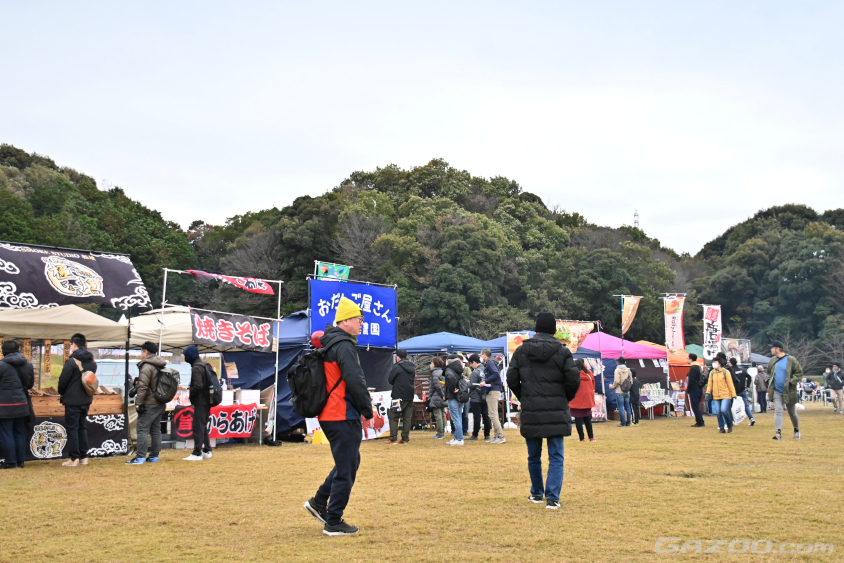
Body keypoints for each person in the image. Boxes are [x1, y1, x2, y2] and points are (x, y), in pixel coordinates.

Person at [304, 297, 374, 536]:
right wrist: (367, 410)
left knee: (350, 462)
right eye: (359, 319)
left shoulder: (331, 342)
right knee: (346, 468)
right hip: (341, 413)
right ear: (345, 321)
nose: (362, 323)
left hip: (332, 412)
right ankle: (333, 520)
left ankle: (318, 502)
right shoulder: (343, 345)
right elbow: (355, 380)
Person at [507, 312, 580, 510]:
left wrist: (525, 396)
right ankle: (553, 498)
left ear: (536, 328)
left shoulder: (521, 351)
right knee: (556, 456)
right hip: (556, 408)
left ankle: (537, 493)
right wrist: (565, 397)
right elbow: (574, 378)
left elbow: (511, 378)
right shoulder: (562, 351)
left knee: (533, 455)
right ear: (554, 330)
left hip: (531, 408)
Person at [57, 333, 96, 467]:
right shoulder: (92, 362)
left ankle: (74, 458)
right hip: (86, 398)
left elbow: (63, 381)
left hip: (72, 400)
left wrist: (62, 393)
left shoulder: (71, 361)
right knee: (81, 427)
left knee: (72, 429)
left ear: (73, 344)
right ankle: (84, 457)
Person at [126, 341, 168, 465]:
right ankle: (154, 456)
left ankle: (140, 457)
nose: (140, 354)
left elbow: (143, 387)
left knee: (142, 429)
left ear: (146, 352)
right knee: (155, 429)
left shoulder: (146, 366)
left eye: (141, 351)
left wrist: (138, 403)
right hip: (160, 401)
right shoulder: (160, 364)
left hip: (149, 402)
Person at [0, 340, 34, 469]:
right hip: (22, 403)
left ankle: (10, 462)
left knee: (6, 433)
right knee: (19, 432)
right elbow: (30, 385)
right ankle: (21, 461)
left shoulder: (1, 365)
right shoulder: (28, 365)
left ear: (4, 351)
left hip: (4, 405)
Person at [182, 344, 213, 462]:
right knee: (203, 425)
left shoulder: (196, 368)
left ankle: (197, 452)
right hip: (207, 401)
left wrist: (191, 394)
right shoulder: (205, 365)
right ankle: (207, 450)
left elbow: (198, 385)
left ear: (190, 355)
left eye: (186, 355)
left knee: (198, 427)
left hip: (200, 401)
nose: (185, 358)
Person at [767, 340, 802, 440]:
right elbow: (768, 372)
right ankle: (778, 433)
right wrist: (768, 380)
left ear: (778, 349)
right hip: (776, 391)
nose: (771, 349)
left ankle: (796, 430)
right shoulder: (773, 360)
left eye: (772, 348)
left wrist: (791, 381)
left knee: (792, 412)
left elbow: (799, 373)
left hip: (789, 391)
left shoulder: (791, 359)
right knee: (778, 411)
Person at [385, 349, 415, 444]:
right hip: (409, 395)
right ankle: (405, 438)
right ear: (406, 356)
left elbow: (390, 380)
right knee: (407, 418)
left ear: (398, 357)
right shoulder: (412, 366)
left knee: (394, 416)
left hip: (398, 395)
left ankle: (393, 437)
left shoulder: (397, 367)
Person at [480, 348, 505, 444]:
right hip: (494, 389)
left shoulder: (490, 363)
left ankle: (500, 436)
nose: (481, 356)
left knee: (492, 414)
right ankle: (496, 436)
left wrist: (485, 381)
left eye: (481, 354)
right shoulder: (492, 362)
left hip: (493, 390)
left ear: (484, 355)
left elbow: (495, 374)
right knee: (494, 413)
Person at [706, 357, 736, 434]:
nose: (714, 364)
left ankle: (729, 422)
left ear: (719, 363)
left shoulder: (726, 372)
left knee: (723, 410)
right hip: (716, 395)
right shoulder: (712, 373)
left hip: (725, 395)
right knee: (718, 412)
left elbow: (730, 384)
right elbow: (710, 384)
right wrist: (708, 392)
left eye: (715, 362)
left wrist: (733, 394)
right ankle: (721, 427)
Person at [569, 359, 596, 442]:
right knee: (587, 419)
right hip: (587, 400)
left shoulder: (573, 375)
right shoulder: (589, 373)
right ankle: (591, 437)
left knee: (578, 420)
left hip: (576, 400)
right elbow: (593, 386)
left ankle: (582, 438)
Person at [467, 354, 490, 441]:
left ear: (474, 362)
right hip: (485, 395)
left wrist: (467, 383)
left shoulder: (475, 372)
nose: (470, 366)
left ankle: (475, 434)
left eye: (470, 364)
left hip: (476, 397)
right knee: (485, 416)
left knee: (477, 416)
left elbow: (472, 385)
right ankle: (487, 434)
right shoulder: (485, 370)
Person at [443, 354, 465, 446]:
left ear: (448, 361)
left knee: (455, 419)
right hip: (460, 397)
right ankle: (457, 437)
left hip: (453, 397)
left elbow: (451, 378)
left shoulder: (449, 370)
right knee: (459, 418)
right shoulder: (459, 369)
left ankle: (459, 439)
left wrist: (452, 389)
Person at [729, 357, 755, 426]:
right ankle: (751, 418)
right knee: (745, 405)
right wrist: (747, 386)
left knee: (732, 406)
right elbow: (749, 377)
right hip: (743, 390)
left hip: (734, 392)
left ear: (731, 363)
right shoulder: (742, 370)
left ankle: (734, 420)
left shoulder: (731, 371)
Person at [610, 358, 633, 427]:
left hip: (619, 390)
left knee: (621, 407)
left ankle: (623, 423)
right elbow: (631, 381)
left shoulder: (617, 370)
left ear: (618, 363)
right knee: (628, 407)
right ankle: (628, 422)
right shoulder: (628, 370)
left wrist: (613, 386)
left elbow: (617, 381)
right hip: (627, 391)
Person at [428, 357, 447, 439]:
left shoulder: (435, 373)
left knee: (438, 415)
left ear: (434, 364)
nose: (430, 364)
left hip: (437, 396)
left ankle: (440, 433)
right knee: (442, 414)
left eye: (431, 363)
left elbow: (436, 386)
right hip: (442, 396)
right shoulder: (442, 372)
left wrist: (431, 396)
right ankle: (442, 431)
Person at [687, 354, 705, 427]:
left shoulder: (693, 368)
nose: (687, 360)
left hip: (694, 388)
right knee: (697, 405)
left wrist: (688, 389)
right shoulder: (699, 367)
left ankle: (699, 421)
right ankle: (700, 420)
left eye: (688, 358)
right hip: (699, 388)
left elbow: (691, 380)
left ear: (691, 359)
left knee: (695, 406)